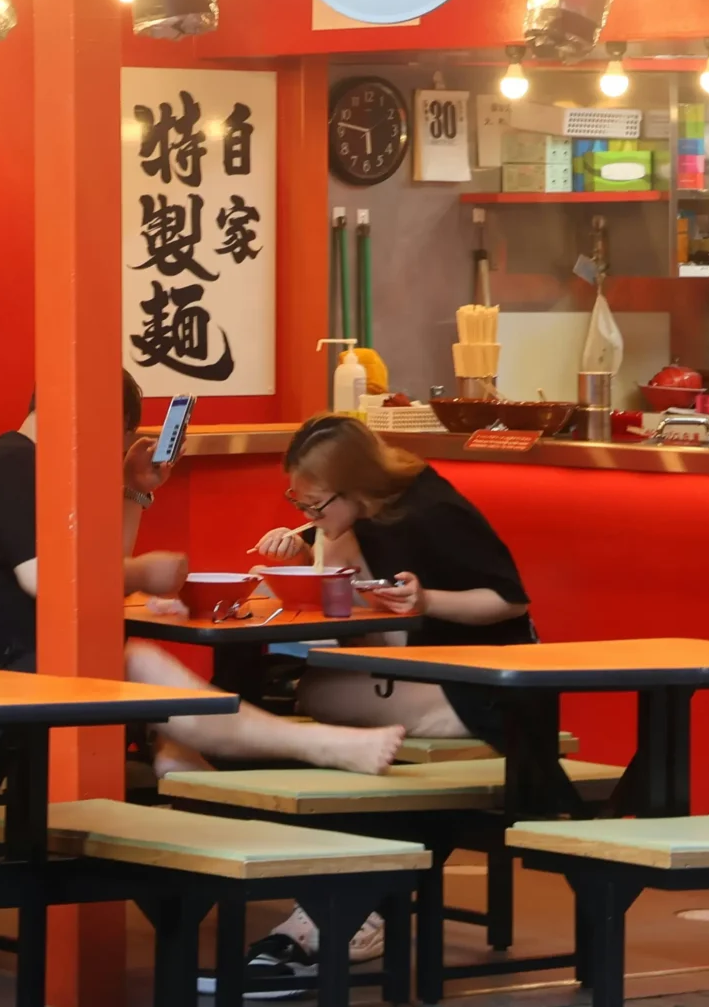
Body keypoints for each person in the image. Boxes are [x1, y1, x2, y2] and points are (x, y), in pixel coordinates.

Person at [0, 371, 406, 778]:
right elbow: (52, 581)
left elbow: (93, 577)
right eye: (121, 439)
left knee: (138, 685)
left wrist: (135, 490)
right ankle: (314, 746)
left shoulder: (16, 462)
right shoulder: (15, 465)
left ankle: (182, 760)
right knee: (134, 661)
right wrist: (143, 574)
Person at [224, 413, 537, 996]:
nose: (308, 515)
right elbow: (342, 571)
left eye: (315, 505)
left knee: (312, 699)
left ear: (355, 487)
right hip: (415, 675)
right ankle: (340, 905)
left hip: (483, 689)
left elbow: (509, 601)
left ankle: (349, 910)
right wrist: (306, 545)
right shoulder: (367, 513)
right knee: (309, 701)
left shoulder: (432, 511)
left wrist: (427, 598)